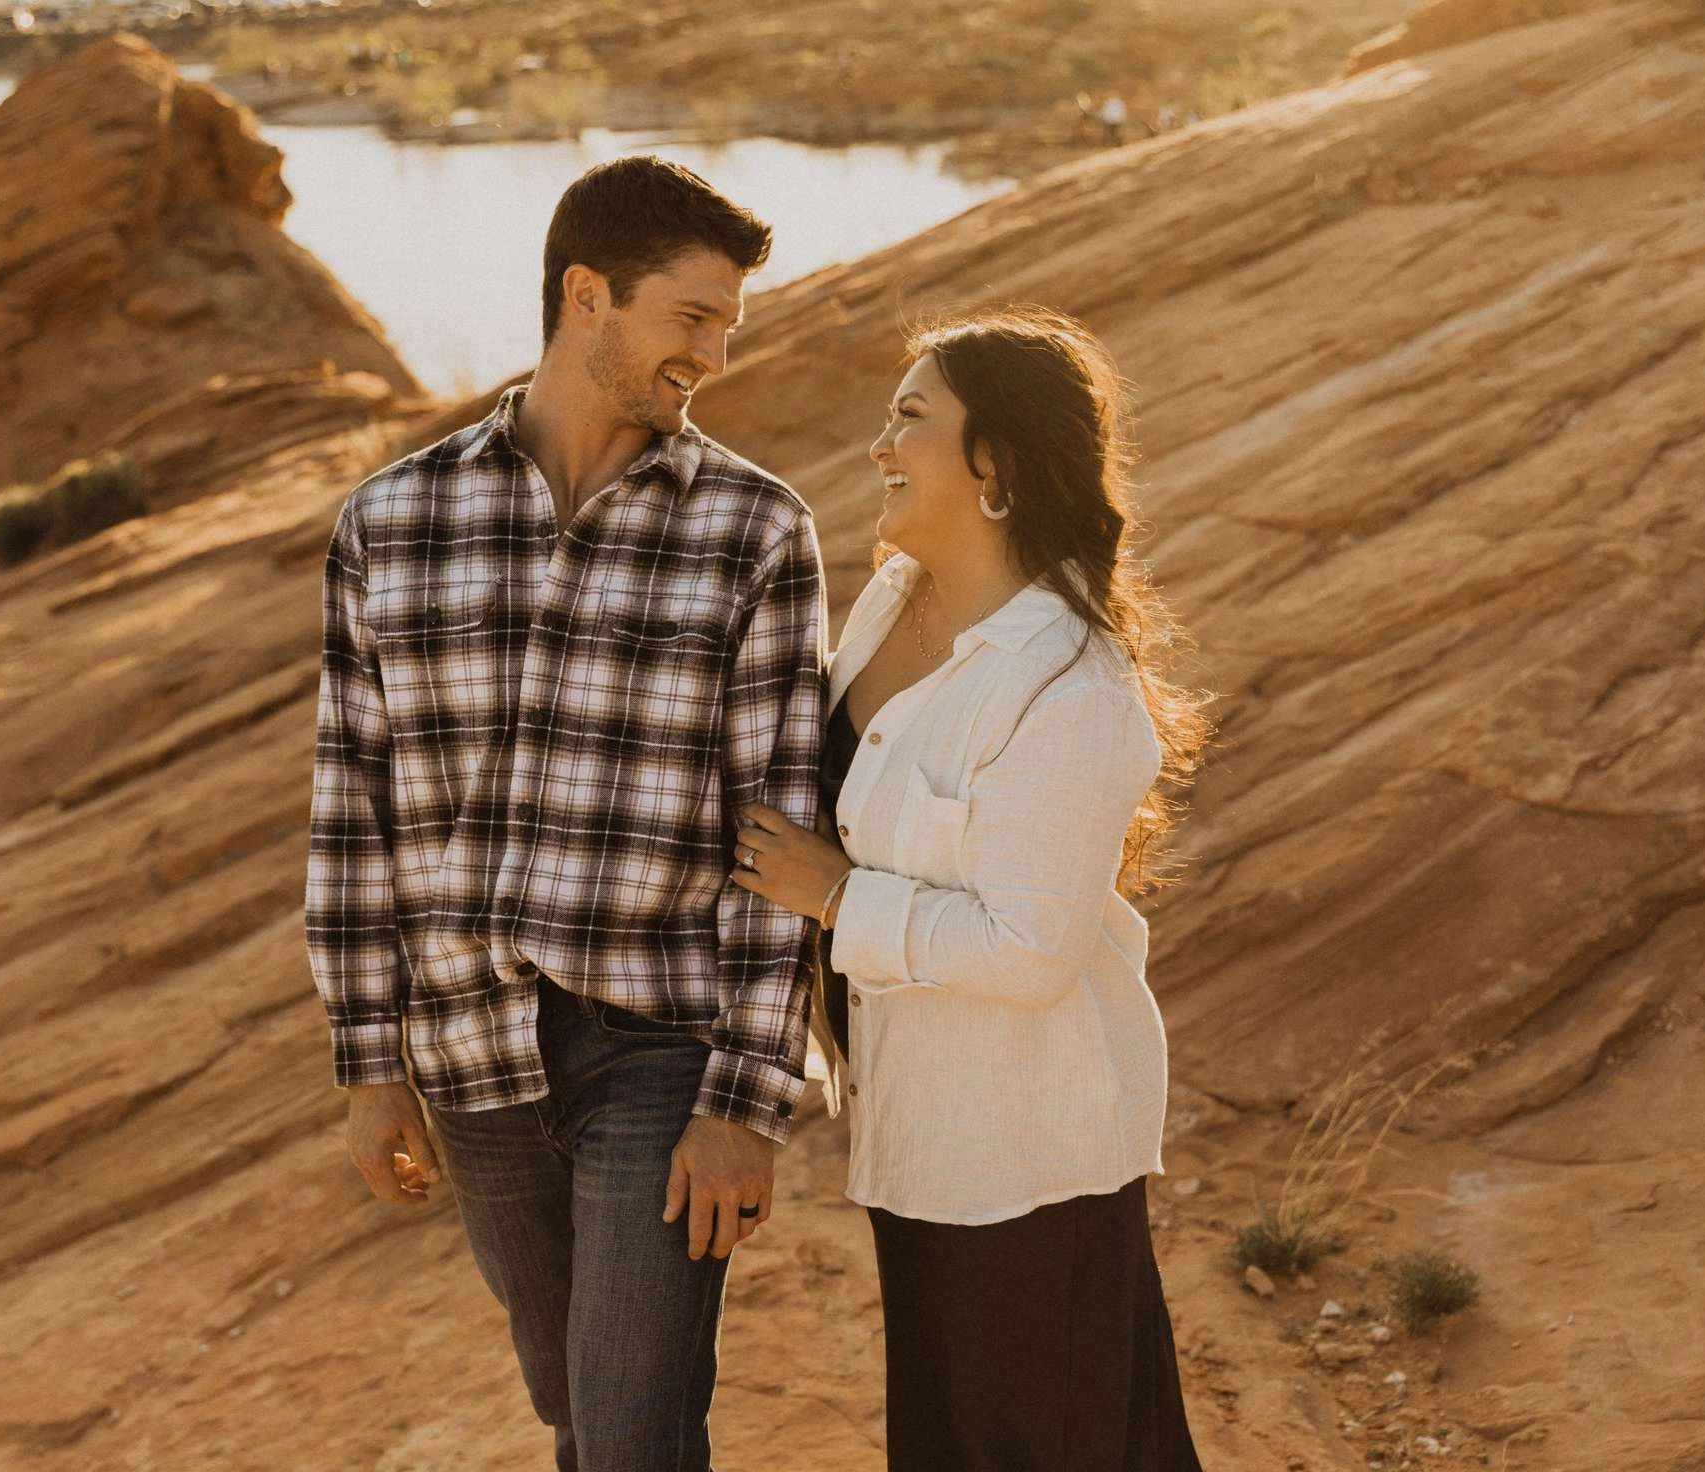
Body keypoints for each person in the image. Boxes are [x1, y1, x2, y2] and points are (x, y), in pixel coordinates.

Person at [304, 156, 828, 1472]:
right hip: (475, 1056)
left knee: (636, 1430)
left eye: (728, 327)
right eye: (691, 319)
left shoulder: (754, 532)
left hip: (659, 1050)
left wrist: (747, 1101)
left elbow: (783, 825)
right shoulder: (394, 522)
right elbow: (355, 809)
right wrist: (371, 1066)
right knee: (578, 1416)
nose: (712, 354)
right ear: (587, 297)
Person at [729, 306, 1209, 1470]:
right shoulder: (895, 598)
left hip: (1028, 1156)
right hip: (917, 1130)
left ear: (993, 462)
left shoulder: (1073, 688)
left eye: (910, 419)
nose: (880, 446)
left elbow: (1030, 950)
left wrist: (837, 896)